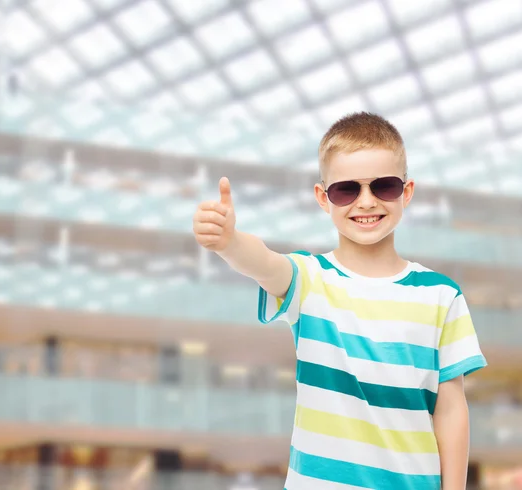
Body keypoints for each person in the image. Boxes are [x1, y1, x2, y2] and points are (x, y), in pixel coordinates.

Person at [192, 112, 487, 490]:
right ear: (323, 198)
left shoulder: (442, 295)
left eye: (384, 186)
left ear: (407, 192)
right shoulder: (310, 280)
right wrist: (230, 243)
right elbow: (264, 263)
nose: (366, 202)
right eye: (346, 190)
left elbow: (451, 410)